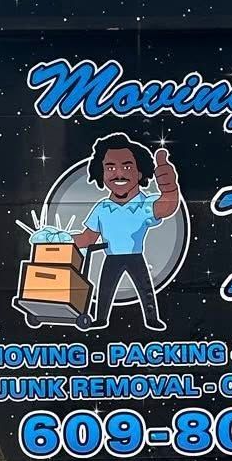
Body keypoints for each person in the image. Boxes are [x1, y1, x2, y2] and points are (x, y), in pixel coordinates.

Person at [72, 132, 179, 331]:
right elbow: (87, 237)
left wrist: (169, 186)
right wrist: (60, 239)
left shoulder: (145, 204)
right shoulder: (102, 207)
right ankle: (101, 319)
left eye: (127, 166)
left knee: (145, 291)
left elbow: (166, 207)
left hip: (135, 257)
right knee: (105, 290)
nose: (118, 173)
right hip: (111, 258)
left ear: (139, 172)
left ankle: (151, 319)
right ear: (101, 173)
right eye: (110, 167)